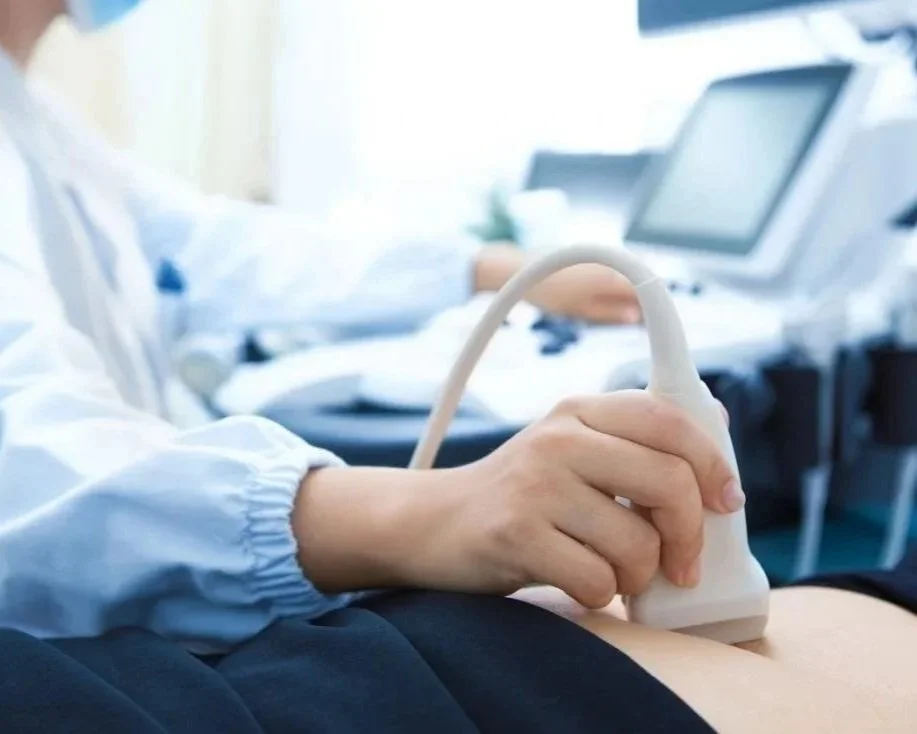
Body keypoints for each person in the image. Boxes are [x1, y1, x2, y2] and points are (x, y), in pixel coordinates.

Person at [0, 1, 914, 732]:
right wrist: (421, 513)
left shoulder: (39, 121)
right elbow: (19, 445)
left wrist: (485, 273)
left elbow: (224, 246)